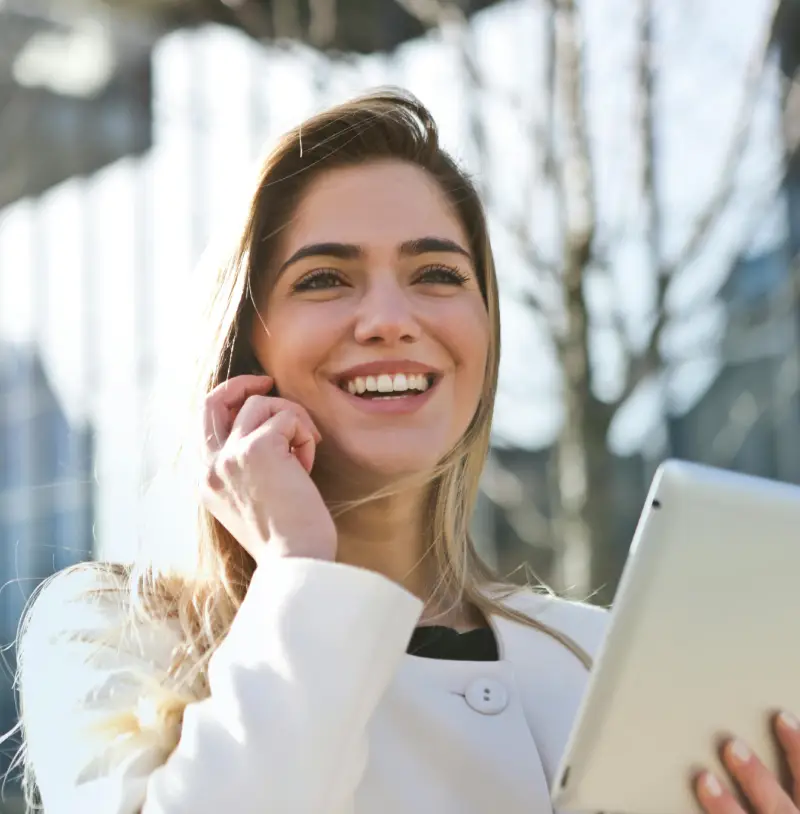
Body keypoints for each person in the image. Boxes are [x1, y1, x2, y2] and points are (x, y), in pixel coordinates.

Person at [15, 89, 800, 814]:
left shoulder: (601, 660)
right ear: (245, 346)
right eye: (325, 279)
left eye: (436, 274)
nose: (390, 319)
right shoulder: (111, 636)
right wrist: (300, 570)